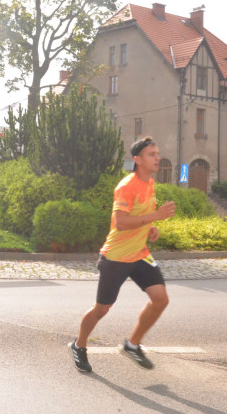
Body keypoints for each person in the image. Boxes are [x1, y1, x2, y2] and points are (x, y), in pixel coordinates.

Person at [69, 136, 176, 373]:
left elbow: (142, 213)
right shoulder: (126, 186)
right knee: (101, 310)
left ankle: (132, 345)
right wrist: (155, 217)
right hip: (115, 257)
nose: (157, 158)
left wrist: (151, 228)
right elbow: (120, 222)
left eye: (157, 153)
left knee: (160, 299)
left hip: (140, 254)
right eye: (152, 154)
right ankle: (78, 345)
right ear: (137, 160)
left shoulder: (149, 183)